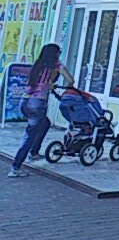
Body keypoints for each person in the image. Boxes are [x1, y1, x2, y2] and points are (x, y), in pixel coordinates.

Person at [9, 43, 75, 177]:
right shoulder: (56, 65)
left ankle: (34, 152)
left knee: (45, 123)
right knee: (30, 135)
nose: (60, 54)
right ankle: (16, 167)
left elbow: (36, 82)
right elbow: (70, 80)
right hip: (37, 103)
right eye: (59, 52)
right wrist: (63, 86)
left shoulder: (38, 65)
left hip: (25, 101)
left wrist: (48, 85)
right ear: (55, 54)